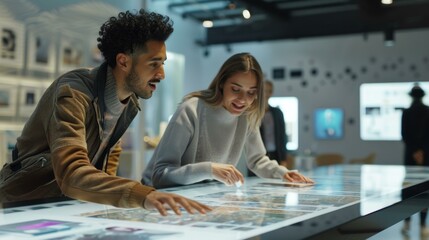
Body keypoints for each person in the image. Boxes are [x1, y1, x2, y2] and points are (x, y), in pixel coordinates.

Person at [0, 9, 211, 217]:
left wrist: (106, 210)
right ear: (123, 61)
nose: (162, 74)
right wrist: (143, 195)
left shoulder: (128, 103)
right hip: (23, 206)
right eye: (154, 64)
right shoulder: (73, 93)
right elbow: (71, 174)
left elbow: (107, 165)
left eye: (162, 64)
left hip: (66, 207)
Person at [141, 52, 314, 188]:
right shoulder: (191, 109)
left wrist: (283, 174)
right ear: (222, 83)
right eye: (236, 89)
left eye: (251, 92)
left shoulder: (247, 115)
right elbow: (160, 175)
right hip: (156, 196)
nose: (243, 100)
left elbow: (257, 160)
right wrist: (209, 170)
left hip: (198, 196)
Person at [401, 84, 429, 236]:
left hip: (410, 157)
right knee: (424, 190)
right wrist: (422, 151)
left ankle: (406, 223)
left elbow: (404, 135)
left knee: (408, 190)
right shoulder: (428, 111)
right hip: (425, 157)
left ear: (411, 96)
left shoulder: (406, 112)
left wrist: (414, 151)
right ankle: (423, 225)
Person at [248, 80, 288, 177]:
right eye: (264, 91)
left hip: (276, 154)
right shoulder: (252, 113)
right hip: (257, 155)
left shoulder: (278, 113)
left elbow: (282, 136)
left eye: (269, 91)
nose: (266, 94)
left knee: (278, 179)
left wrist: (284, 158)